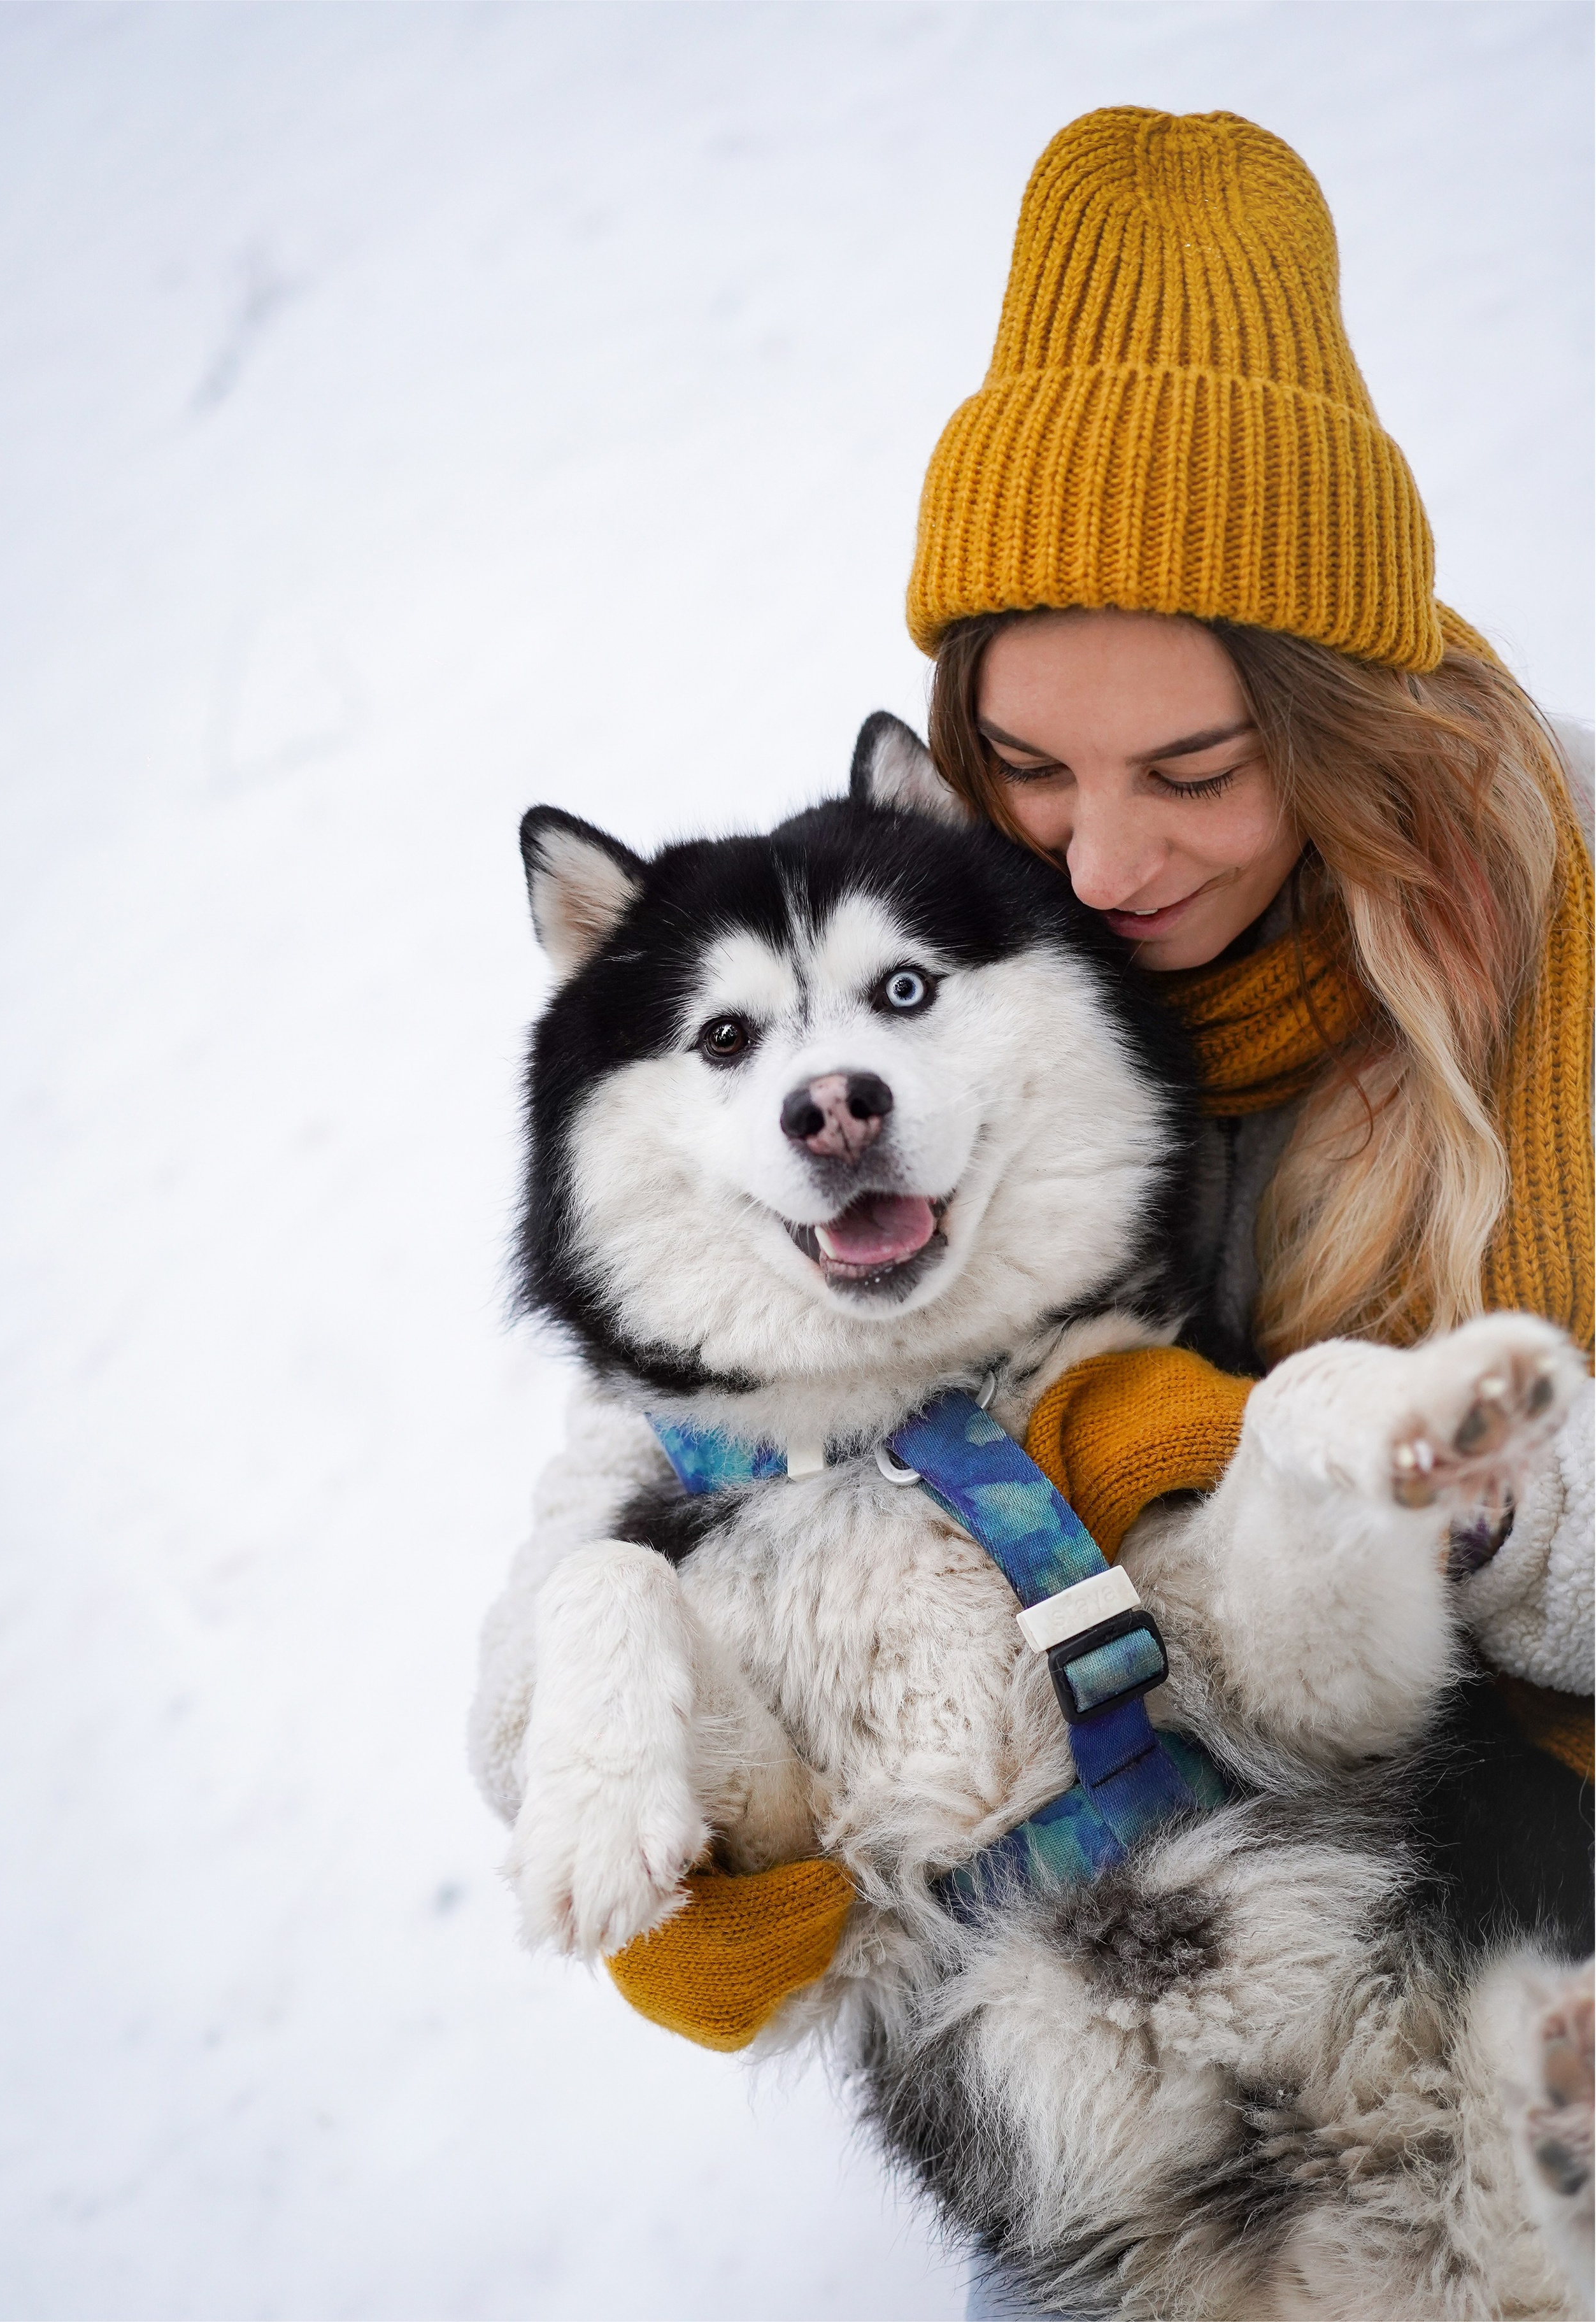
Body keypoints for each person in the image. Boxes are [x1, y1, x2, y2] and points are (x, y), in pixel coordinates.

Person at [470, 107, 1593, 2318]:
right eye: (1030, 774)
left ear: (1344, 714)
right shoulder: (963, 1007)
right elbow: (599, 1576)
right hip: (1100, 2110)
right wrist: (596, 1693)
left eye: (1193, 773)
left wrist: (1453, 1500)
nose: (1094, 866)